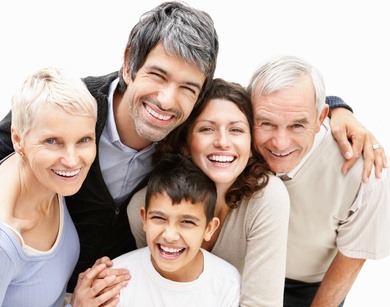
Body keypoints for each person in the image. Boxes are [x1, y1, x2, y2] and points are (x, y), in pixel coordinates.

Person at [0, 1, 384, 297]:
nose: (168, 101)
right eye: (157, 75)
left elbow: (257, 108)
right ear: (129, 64)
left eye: (188, 87)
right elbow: (13, 138)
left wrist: (336, 108)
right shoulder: (74, 109)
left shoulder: (191, 130)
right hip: (48, 280)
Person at [129, 78, 290, 306]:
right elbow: (152, 287)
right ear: (185, 141)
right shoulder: (143, 207)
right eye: (207, 129)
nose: (223, 142)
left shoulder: (266, 198)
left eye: (236, 130)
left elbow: (262, 303)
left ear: (251, 144)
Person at [246, 54, 390, 306]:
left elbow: (350, 261)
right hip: (242, 270)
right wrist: (340, 106)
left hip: (310, 288)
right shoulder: (234, 140)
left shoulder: (365, 174)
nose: (280, 143)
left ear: (321, 118)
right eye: (266, 123)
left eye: (297, 126)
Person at [0, 67, 100, 306]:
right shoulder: (4, 244)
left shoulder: (47, 179)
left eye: (83, 140)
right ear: (17, 140)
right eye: (52, 141)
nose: (72, 160)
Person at [113, 154, 240, 306]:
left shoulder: (227, 283)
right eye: (159, 218)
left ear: (209, 228)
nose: (170, 235)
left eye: (187, 222)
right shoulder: (117, 278)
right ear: (144, 219)